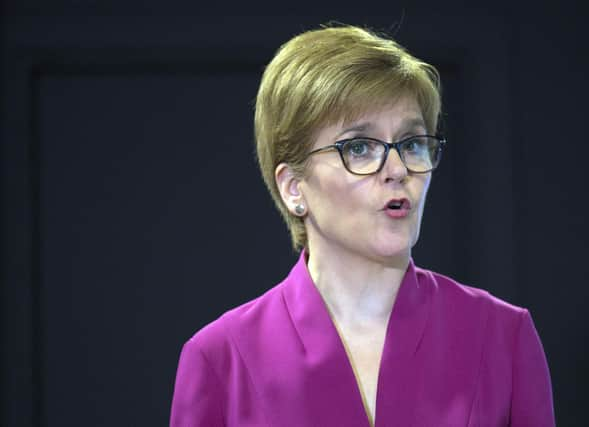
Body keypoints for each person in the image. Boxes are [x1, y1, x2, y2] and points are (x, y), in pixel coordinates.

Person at [170, 24, 555, 427]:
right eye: (358, 147)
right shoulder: (220, 359)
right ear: (293, 188)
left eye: (411, 143)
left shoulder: (501, 336)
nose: (397, 169)